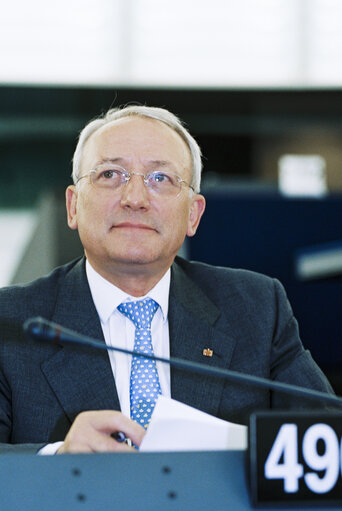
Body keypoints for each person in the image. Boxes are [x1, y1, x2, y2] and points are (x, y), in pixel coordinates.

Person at [0, 105, 334, 455]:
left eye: (160, 179)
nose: (135, 199)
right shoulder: (12, 321)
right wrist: (54, 458)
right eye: (111, 174)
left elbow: (325, 441)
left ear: (193, 215)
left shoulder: (256, 308)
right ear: (73, 206)